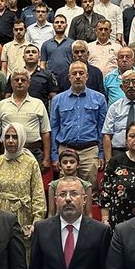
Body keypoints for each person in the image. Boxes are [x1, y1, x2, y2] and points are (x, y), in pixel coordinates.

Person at [0, 123, 47, 251]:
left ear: (22, 138)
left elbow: (38, 194)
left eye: (15, 137)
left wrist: (36, 222)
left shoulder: (31, 163)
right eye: (7, 137)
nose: (10, 141)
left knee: (21, 252)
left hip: (24, 216)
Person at [50, 61, 107, 191]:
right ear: (69, 77)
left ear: (87, 76)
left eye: (81, 73)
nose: (77, 76)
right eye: (74, 73)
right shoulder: (57, 100)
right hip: (66, 151)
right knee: (66, 190)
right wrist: (54, 155)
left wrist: (101, 154)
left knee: (90, 191)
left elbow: (102, 128)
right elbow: (54, 128)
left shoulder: (99, 98)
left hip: (89, 151)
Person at [0, 70, 52, 171]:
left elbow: (45, 132)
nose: (19, 82)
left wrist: (47, 158)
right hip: (8, 152)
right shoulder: (2, 104)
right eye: (16, 80)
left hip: (33, 152)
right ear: (11, 83)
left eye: (23, 80)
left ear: (29, 83)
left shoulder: (38, 103)